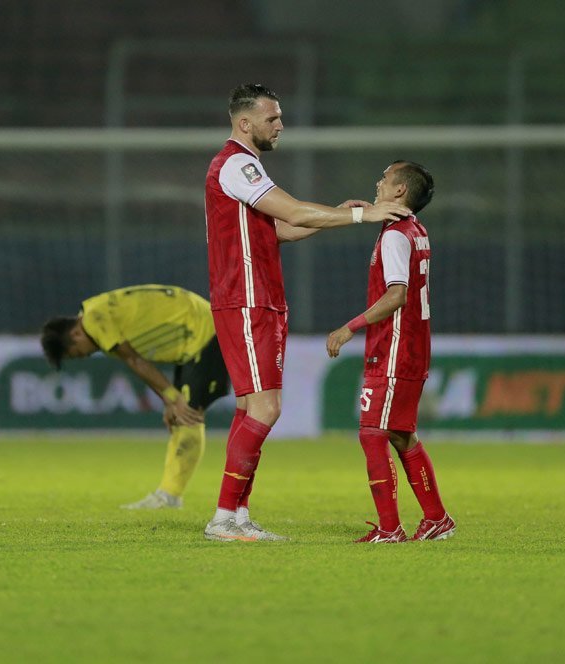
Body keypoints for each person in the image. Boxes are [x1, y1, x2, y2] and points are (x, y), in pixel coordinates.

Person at [202, 83, 413, 542]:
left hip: (261, 297)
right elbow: (296, 212)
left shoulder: (246, 168)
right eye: (272, 118)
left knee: (249, 408)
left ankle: (236, 515)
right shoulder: (237, 164)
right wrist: (365, 216)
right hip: (247, 297)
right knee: (266, 407)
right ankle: (223, 516)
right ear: (245, 123)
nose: (281, 126)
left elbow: (282, 230)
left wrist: (337, 214)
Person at [326, 160, 455, 544]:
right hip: (413, 345)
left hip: (394, 347)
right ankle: (437, 519)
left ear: (400, 191)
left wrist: (349, 327)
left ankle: (389, 528)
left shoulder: (396, 236)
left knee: (372, 434)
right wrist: (361, 211)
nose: (378, 182)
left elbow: (396, 295)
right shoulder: (413, 229)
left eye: (385, 179)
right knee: (401, 434)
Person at [40, 284, 229, 510]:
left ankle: (171, 496)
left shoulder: (94, 320)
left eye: (80, 353)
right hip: (195, 333)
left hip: (205, 332)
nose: (87, 355)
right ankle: (169, 495)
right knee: (181, 417)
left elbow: (135, 361)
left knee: (188, 415)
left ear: (76, 333)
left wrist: (171, 397)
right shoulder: (96, 313)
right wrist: (169, 399)